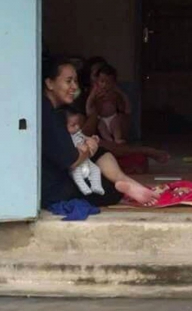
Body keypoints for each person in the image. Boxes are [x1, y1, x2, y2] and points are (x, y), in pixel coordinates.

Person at [41, 55, 157, 208]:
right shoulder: (47, 114)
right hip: (55, 190)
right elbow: (72, 160)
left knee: (100, 152)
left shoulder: (54, 109)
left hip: (62, 174)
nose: (74, 87)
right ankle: (125, 184)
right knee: (110, 189)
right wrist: (90, 148)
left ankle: (127, 181)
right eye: (68, 81)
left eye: (75, 81)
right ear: (50, 83)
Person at [64, 107, 105, 196]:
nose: (77, 127)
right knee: (76, 173)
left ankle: (96, 186)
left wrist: (92, 139)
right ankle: (84, 188)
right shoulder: (66, 137)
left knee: (96, 169)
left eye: (78, 124)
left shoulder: (78, 133)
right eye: (73, 125)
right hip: (76, 161)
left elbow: (84, 138)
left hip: (86, 160)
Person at [86, 64, 130, 144]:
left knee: (116, 123)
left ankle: (117, 138)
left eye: (108, 82)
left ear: (114, 83)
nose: (104, 85)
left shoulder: (115, 91)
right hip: (101, 117)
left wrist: (118, 93)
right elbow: (90, 100)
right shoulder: (95, 91)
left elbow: (123, 103)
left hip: (112, 116)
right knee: (101, 126)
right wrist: (89, 111)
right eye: (102, 81)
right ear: (97, 81)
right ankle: (109, 140)